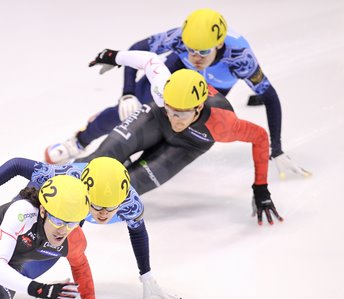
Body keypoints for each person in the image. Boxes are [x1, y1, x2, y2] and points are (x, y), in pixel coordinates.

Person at [44, 8, 310, 180]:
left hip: (206, 93)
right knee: (129, 112)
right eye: (190, 48)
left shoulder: (240, 58)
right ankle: (77, 142)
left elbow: (270, 96)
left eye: (203, 52)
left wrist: (277, 149)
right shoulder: (178, 39)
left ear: (219, 43)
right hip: (174, 74)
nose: (195, 56)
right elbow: (139, 50)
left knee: (170, 131)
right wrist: (128, 94)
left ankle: (126, 161)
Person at [0, 156, 181, 299]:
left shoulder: (131, 204)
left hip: (68, 220)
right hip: (40, 206)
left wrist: (146, 274)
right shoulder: (66, 177)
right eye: (96, 206)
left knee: (20, 272)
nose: (101, 214)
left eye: (110, 209)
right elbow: (16, 164)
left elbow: (138, 233)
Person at [78, 60, 283, 226]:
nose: (175, 119)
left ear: (198, 107)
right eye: (171, 109)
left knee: (121, 192)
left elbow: (260, 137)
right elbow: (145, 58)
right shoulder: (161, 88)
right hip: (156, 118)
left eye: (181, 113)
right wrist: (115, 56)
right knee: (96, 160)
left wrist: (260, 187)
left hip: (188, 145)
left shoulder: (223, 123)